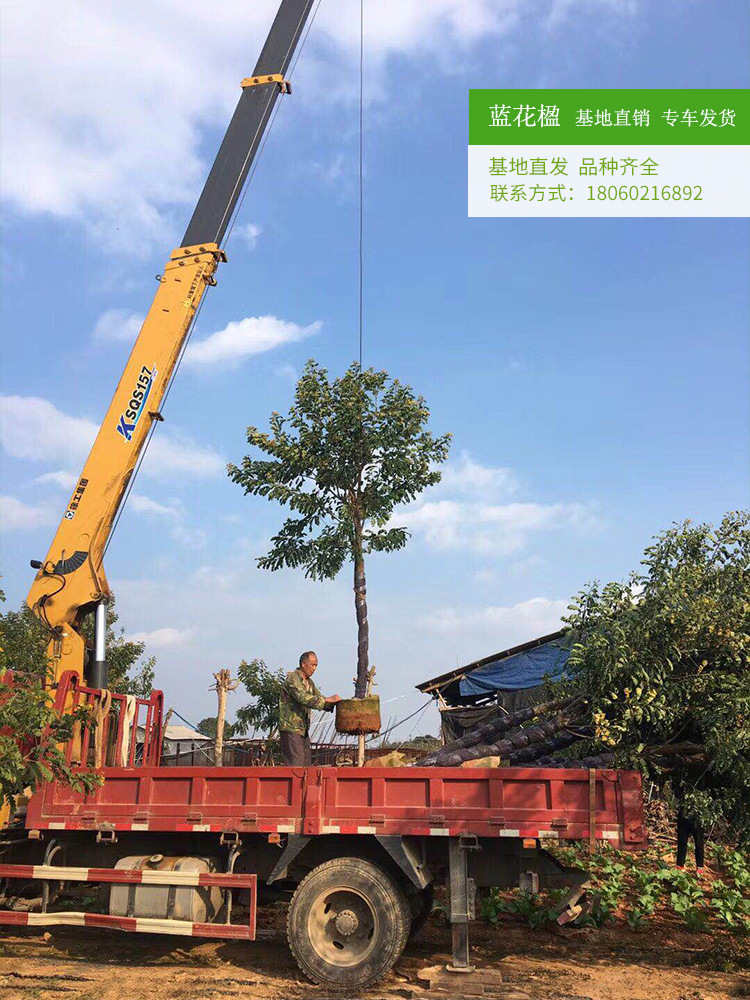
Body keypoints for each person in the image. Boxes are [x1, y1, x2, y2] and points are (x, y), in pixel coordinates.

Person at [278, 651, 340, 766]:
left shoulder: (309, 682)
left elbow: (318, 698)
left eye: (316, 665)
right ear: (303, 664)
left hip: (303, 730)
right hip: (291, 728)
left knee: (306, 764)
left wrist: (337, 704)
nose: (315, 668)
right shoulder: (293, 678)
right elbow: (303, 698)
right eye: (312, 665)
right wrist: (327, 700)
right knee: (296, 765)